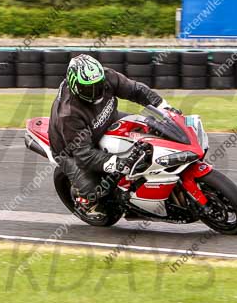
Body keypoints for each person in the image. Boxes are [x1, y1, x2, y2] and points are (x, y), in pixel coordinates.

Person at [48, 54, 178, 214]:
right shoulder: (68, 114)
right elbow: (84, 155)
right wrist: (119, 163)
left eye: (98, 84)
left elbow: (136, 90)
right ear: (76, 86)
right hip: (70, 151)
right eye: (89, 88)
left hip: (108, 119)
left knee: (153, 129)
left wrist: (163, 106)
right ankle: (86, 201)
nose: (96, 91)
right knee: (95, 189)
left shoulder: (107, 76)